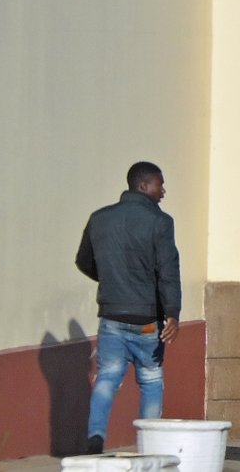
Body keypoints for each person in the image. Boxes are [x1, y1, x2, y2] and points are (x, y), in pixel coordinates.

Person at [76, 160, 180, 454]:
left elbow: (84, 261)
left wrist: (111, 280)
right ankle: (148, 447)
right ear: (144, 185)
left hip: (111, 315)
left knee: (107, 376)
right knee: (150, 379)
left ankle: (95, 436)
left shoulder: (99, 218)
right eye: (160, 184)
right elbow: (168, 271)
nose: (163, 191)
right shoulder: (160, 222)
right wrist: (173, 313)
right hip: (147, 319)